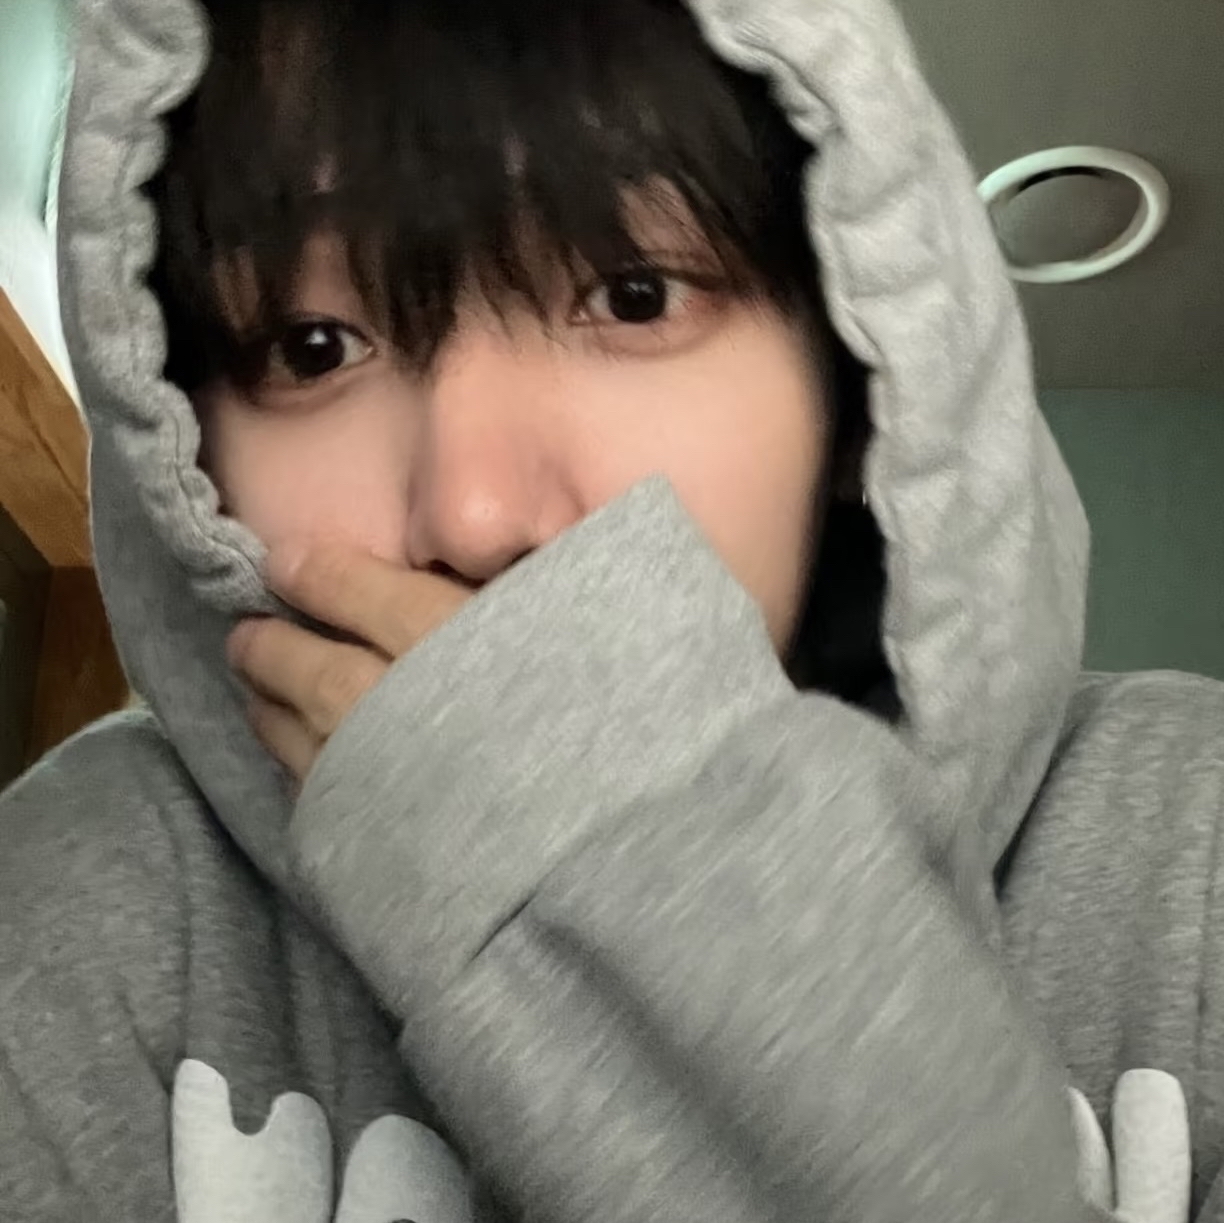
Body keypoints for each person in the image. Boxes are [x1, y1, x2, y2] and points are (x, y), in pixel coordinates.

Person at [0, 0, 1218, 1218]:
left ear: (859, 385)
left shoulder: (1191, 846)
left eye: (634, 295)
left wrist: (638, 867)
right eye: (313, 345)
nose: (473, 512)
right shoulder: (87, 898)